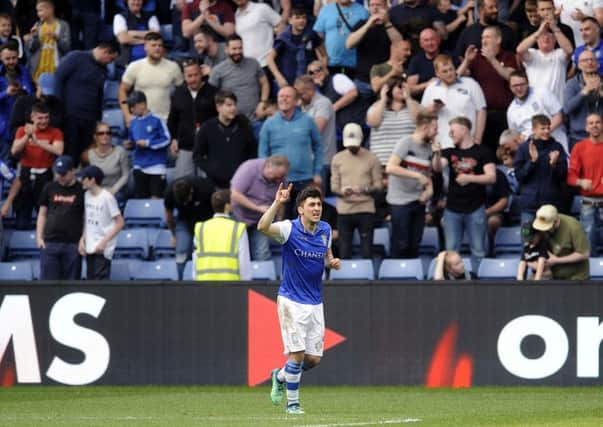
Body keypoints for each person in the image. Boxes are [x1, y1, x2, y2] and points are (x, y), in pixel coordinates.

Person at [258, 184, 341, 415]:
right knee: (297, 353)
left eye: (319, 204)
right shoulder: (288, 229)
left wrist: (331, 261)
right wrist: (277, 203)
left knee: (313, 359)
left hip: (315, 302)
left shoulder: (325, 229)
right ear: (301, 209)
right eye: (311, 205)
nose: (317, 208)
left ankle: (281, 375)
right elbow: (262, 226)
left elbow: (327, 253)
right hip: (291, 301)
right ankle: (293, 404)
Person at [434, 116, 496, 269]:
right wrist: (436, 154)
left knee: (478, 250)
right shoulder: (449, 152)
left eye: (452, 131)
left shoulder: (483, 151)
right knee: (451, 251)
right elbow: (437, 168)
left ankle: (477, 282)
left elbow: (491, 177)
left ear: (464, 129)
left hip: (476, 207)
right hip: (452, 209)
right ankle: (451, 283)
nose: (450, 134)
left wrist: (470, 178)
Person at [258, 86, 322, 218]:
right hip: (279, 182)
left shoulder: (307, 120)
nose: (284, 99)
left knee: (305, 221)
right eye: (281, 96)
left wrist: (317, 171)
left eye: (288, 96)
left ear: (296, 100)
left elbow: (319, 147)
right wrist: (267, 176)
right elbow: (262, 154)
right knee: (282, 224)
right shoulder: (269, 124)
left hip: (305, 180)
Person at [54, 39, 121, 164]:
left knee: (85, 156)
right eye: (111, 59)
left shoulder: (103, 70)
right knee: (69, 155)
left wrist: (97, 119)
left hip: (89, 120)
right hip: (69, 116)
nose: (110, 63)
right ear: (106, 52)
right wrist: (58, 109)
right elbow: (58, 78)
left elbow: (99, 95)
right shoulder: (76, 57)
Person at [385, 112, 438, 258]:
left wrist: (430, 190)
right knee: (401, 244)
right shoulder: (406, 142)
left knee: (415, 244)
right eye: (435, 128)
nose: (437, 132)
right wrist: (417, 175)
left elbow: (429, 175)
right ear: (425, 127)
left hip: (418, 201)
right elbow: (390, 167)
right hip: (400, 201)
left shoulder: (429, 149)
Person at [331, 123, 382, 259]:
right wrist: (343, 191)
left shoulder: (372, 158)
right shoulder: (338, 158)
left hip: (366, 209)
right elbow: (334, 186)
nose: (352, 147)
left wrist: (363, 189)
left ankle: (367, 277)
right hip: (344, 210)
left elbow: (379, 186)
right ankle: (344, 278)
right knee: (344, 250)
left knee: (366, 250)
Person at [10, 101, 63, 229]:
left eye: (46, 117)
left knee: (45, 215)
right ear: (32, 117)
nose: (44, 121)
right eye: (40, 118)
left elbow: (59, 150)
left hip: (45, 174)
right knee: (22, 220)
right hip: (26, 174)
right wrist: (27, 136)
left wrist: (38, 142)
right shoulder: (22, 130)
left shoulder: (55, 132)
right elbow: (14, 150)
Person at [193, 90, 256, 189]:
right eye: (229, 105)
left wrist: (246, 170)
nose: (233, 108)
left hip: (241, 182)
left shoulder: (244, 126)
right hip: (215, 185)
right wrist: (212, 170)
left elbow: (253, 152)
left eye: (235, 105)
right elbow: (197, 155)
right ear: (218, 107)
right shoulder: (207, 127)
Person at [230, 154, 289, 261]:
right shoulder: (249, 169)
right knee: (237, 252)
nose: (279, 179)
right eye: (276, 176)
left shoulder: (280, 178)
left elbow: (281, 201)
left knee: (262, 253)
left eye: (281, 177)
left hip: (261, 222)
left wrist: (279, 219)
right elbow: (235, 195)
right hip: (240, 217)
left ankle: (263, 276)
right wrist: (258, 208)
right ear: (268, 166)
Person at [421, 54, 486, 150]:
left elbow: (481, 110)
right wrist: (431, 109)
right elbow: (421, 115)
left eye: (451, 69)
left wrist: (477, 139)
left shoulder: (470, 83)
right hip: (440, 144)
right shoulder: (431, 88)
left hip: (467, 143)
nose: (449, 73)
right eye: (445, 71)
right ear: (437, 73)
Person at [167, 58, 218, 179]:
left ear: (201, 74)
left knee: (209, 183)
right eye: (189, 76)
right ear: (184, 77)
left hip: (208, 148)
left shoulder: (214, 93)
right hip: (185, 147)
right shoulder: (178, 94)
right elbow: (172, 121)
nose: (193, 79)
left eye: (196, 75)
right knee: (182, 184)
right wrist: (173, 139)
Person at [36, 155, 85, 280]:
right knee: (48, 286)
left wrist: (83, 239)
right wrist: (39, 237)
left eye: (64, 173)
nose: (60, 177)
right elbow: (42, 213)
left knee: (72, 286)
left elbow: (86, 218)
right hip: (50, 242)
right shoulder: (49, 187)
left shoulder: (81, 190)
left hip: (73, 244)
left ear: (73, 171)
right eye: (58, 173)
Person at [119, 32, 183, 125]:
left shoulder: (173, 67)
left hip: (166, 120)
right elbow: (122, 90)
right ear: (145, 47)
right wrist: (127, 115)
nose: (157, 48)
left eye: (160, 45)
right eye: (153, 45)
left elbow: (183, 91)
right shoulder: (135, 66)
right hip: (141, 120)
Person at [514, 114, 567, 225]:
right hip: (529, 206)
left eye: (548, 127)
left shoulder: (557, 147)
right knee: (527, 241)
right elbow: (519, 176)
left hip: (551, 205)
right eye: (542, 128)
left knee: (552, 242)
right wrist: (532, 161)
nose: (547, 131)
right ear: (533, 130)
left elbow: (563, 176)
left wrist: (553, 164)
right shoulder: (523, 148)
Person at [345, 0, 402, 95]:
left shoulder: (393, 23)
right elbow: (349, 44)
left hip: (386, 79)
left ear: (386, 7)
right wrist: (368, 25)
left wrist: (387, 23)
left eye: (379, 5)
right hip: (363, 80)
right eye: (372, 5)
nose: (375, 8)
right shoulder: (361, 24)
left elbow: (399, 44)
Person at [78, 165, 125, 280]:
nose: (81, 181)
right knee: (90, 281)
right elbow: (87, 219)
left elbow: (120, 223)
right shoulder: (86, 195)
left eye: (84, 178)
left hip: (102, 249)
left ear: (92, 180)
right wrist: (82, 239)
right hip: (90, 246)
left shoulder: (107, 197)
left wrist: (104, 242)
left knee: (100, 284)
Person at [193, 189, 251, 280]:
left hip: (203, 284)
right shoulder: (238, 228)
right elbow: (243, 262)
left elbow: (195, 260)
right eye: (232, 202)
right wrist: (245, 284)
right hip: (231, 286)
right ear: (227, 206)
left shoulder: (200, 228)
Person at [208, 34, 270, 120]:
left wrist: (263, 102)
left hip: (256, 119)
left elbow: (265, 83)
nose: (237, 51)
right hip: (232, 122)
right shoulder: (218, 70)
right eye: (234, 49)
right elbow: (210, 95)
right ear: (226, 50)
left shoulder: (253, 63)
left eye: (240, 48)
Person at [164, 175, 214, 279]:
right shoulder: (169, 192)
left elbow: (216, 208)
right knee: (181, 254)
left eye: (187, 200)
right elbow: (168, 216)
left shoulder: (205, 187)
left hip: (206, 222)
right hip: (184, 222)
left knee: (208, 253)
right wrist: (173, 235)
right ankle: (180, 283)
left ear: (191, 191)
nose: (186, 203)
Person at [506, 70, 568, 154]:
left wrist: (541, 134)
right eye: (515, 86)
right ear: (510, 87)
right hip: (532, 150)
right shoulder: (511, 111)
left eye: (522, 84)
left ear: (528, 83)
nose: (519, 88)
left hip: (555, 139)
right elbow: (516, 136)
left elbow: (559, 116)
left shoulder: (542, 92)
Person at [123, 90, 171, 199]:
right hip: (139, 166)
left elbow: (167, 139)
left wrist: (148, 143)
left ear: (143, 104)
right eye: (130, 107)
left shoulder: (157, 120)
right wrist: (129, 145)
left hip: (156, 166)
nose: (130, 110)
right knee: (141, 198)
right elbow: (132, 141)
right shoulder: (133, 123)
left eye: (133, 106)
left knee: (156, 199)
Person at [568, 113, 603, 255]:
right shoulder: (579, 147)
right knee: (587, 243)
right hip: (588, 202)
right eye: (591, 123)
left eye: (598, 122)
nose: (594, 125)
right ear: (586, 128)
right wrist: (581, 181)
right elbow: (570, 176)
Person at [516, 20, 572, 105]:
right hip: (536, 106)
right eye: (543, 35)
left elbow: (569, 50)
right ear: (537, 39)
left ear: (555, 40)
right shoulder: (532, 54)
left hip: (558, 105)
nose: (546, 38)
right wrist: (539, 31)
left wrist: (555, 29)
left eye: (550, 35)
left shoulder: (559, 54)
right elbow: (519, 50)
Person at [367, 75, 420, 166]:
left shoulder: (414, 105)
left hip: (408, 163)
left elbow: (418, 120)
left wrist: (408, 98)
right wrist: (383, 99)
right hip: (381, 161)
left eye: (405, 87)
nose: (402, 89)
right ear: (390, 88)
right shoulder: (376, 106)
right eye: (399, 87)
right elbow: (373, 123)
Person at [267, 7, 325, 89]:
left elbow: (324, 56)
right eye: (297, 18)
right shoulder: (283, 38)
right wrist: (279, 78)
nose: (301, 21)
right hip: (289, 82)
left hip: (310, 82)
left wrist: (321, 71)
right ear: (290, 20)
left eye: (303, 17)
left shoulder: (311, 35)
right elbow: (270, 59)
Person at [532, 204, 590, 280]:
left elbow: (584, 254)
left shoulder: (573, 227)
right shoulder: (540, 223)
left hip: (575, 277)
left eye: (547, 227)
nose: (544, 230)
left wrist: (556, 260)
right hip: (550, 274)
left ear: (556, 222)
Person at [312, 0, 368, 77]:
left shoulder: (363, 12)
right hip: (330, 64)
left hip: (354, 64)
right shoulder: (325, 10)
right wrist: (323, 59)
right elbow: (318, 37)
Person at [81, 122, 130, 205]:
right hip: (95, 191)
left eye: (108, 133)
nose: (105, 135)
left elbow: (126, 175)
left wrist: (113, 190)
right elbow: (84, 176)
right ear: (95, 137)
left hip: (114, 192)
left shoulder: (120, 152)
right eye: (101, 133)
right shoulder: (88, 154)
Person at [0, 42, 34, 160]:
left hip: (22, 127)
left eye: (14, 58)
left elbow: (31, 93)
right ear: (1, 58)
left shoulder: (24, 71)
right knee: (6, 164)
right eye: (7, 58)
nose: (11, 61)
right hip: (4, 129)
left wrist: (23, 91)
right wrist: (6, 94)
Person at [564, 49, 603, 149]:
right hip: (579, 138)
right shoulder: (571, 84)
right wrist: (584, 92)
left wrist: (601, 93)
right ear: (578, 65)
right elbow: (567, 109)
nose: (589, 62)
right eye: (585, 60)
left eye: (592, 59)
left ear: (598, 63)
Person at [24, 0, 70, 82]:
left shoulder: (63, 25)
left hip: (55, 67)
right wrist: (34, 37)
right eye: (37, 11)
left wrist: (57, 38)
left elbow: (66, 48)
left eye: (40, 10)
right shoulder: (37, 26)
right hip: (39, 67)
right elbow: (31, 49)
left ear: (51, 9)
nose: (38, 13)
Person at [9, 71, 65, 137]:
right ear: (37, 86)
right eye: (43, 94)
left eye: (50, 94)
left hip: (51, 144)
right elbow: (12, 129)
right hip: (27, 143)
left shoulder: (58, 104)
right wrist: (25, 130)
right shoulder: (22, 102)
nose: (46, 97)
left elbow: (63, 127)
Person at [233, 0, 283, 68]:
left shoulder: (262, 8)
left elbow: (281, 25)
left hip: (267, 63)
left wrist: (276, 50)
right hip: (248, 67)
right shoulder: (235, 16)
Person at [113, 0, 161, 68]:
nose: (136, 2)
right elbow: (123, 39)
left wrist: (132, 33)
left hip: (151, 60)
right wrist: (146, 40)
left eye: (139, 0)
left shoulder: (151, 17)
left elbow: (156, 36)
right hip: (128, 61)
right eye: (133, 0)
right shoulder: (119, 17)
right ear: (127, 1)